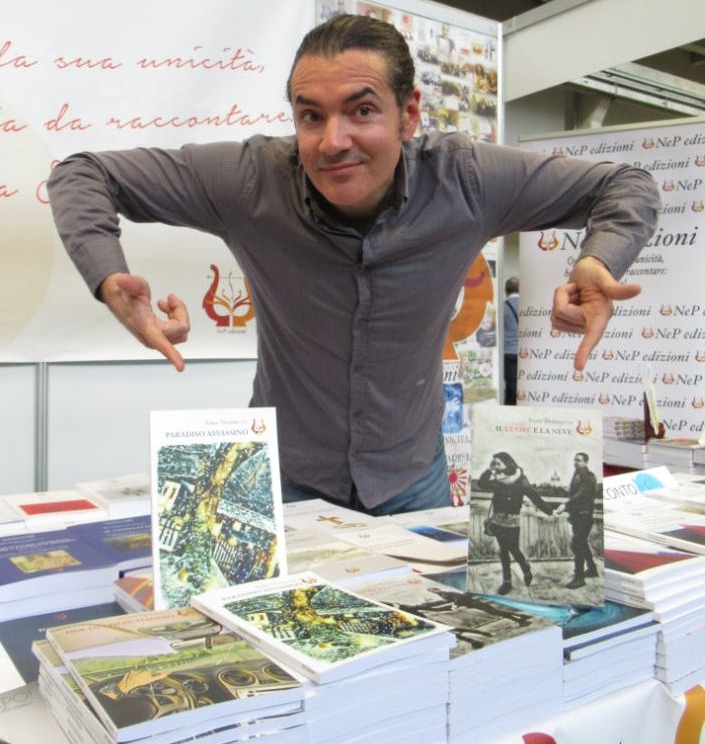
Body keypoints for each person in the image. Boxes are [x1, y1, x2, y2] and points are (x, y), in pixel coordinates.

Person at [46, 14, 660, 516]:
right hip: (284, 481)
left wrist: (597, 258)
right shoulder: (251, 180)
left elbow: (627, 184)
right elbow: (83, 173)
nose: (332, 140)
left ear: (409, 114)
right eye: (311, 115)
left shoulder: (466, 180)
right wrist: (108, 277)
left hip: (412, 481)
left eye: (361, 111)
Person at [477, 451, 555, 595]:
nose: (496, 466)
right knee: (503, 551)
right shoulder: (497, 479)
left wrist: (550, 511)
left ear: (507, 463)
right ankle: (507, 581)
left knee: (514, 549)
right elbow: (482, 484)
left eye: (498, 463)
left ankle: (525, 568)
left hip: (512, 521)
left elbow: (534, 497)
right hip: (498, 520)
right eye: (494, 463)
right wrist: (489, 470)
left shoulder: (520, 480)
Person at [556, 452, 599, 589]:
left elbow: (582, 494)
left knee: (577, 544)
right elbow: (575, 495)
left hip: (584, 515)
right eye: (575, 460)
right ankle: (592, 569)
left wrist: (566, 505)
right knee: (581, 542)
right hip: (578, 515)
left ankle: (579, 578)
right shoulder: (578, 474)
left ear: (586, 462)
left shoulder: (589, 476)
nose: (576, 463)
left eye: (579, 460)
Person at [503, 276, 519, 405]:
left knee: (511, 386)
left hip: (509, 352)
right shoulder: (528, 305)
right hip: (527, 354)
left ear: (506, 290)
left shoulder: (503, 307)